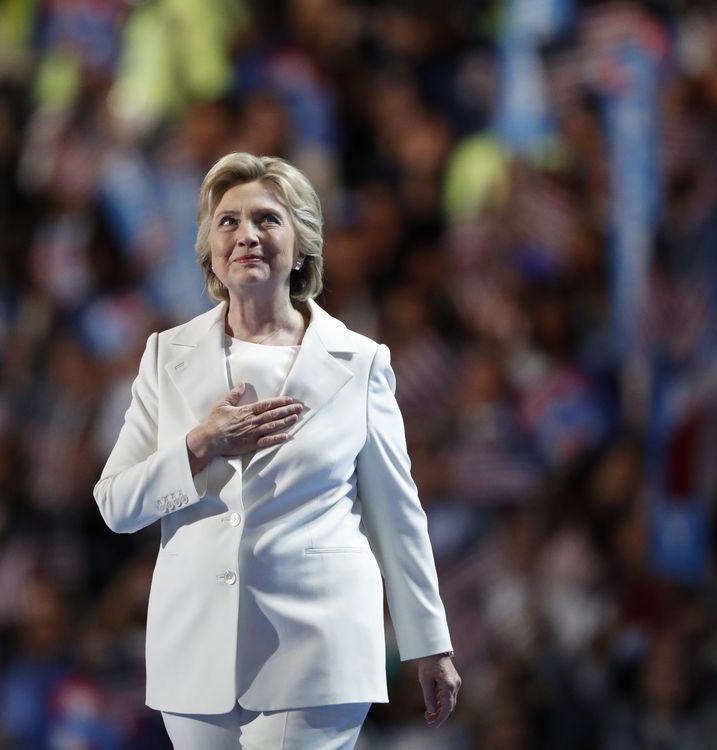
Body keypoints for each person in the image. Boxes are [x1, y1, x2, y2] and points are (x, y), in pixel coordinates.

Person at [93, 152, 460, 749]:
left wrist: (430, 643)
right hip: (194, 648)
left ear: (303, 243)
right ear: (210, 245)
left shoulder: (361, 362)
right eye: (229, 221)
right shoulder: (166, 354)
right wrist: (199, 445)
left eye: (267, 219)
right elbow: (115, 504)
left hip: (319, 645)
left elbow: (399, 515)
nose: (247, 236)